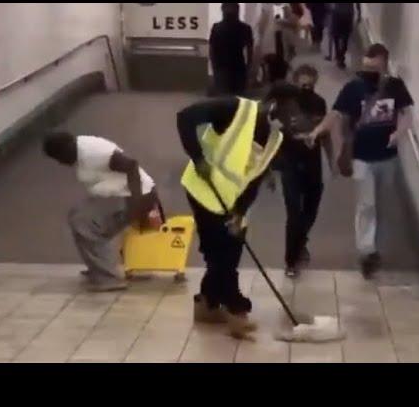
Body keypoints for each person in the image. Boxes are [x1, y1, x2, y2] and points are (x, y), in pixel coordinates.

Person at [176, 84, 305, 338]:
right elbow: (185, 117)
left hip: (231, 201)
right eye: (293, 111)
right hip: (204, 189)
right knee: (221, 252)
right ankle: (236, 310)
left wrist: (240, 211)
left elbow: (254, 178)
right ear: (276, 103)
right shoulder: (234, 108)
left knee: (231, 248)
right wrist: (198, 157)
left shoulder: (275, 138)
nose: (295, 118)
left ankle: (207, 304)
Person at [306, 43, 414, 279]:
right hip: (361, 156)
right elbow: (335, 114)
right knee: (367, 205)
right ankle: (367, 250)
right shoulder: (354, 88)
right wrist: (316, 131)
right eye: (366, 67)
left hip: (388, 156)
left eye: (374, 67)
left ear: (385, 64)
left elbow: (407, 112)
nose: (369, 72)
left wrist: (400, 132)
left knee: (383, 205)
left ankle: (377, 248)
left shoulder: (395, 86)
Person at [42, 132, 161, 292]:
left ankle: (108, 277)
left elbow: (131, 165)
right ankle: (99, 267)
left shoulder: (93, 151)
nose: (60, 163)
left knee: (85, 223)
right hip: (118, 195)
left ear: (66, 150)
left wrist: (136, 204)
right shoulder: (78, 151)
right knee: (78, 216)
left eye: (59, 158)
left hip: (134, 196)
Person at [273, 65, 332, 278]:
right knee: (294, 213)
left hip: (313, 165)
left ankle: (301, 239)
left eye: (310, 82)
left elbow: (325, 133)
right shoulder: (285, 104)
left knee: (311, 208)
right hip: (290, 164)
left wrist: (332, 161)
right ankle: (291, 260)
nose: (306, 86)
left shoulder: (319, 103)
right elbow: (271, 133)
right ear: (295, 81)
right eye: (302, 82)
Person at [209, 3, 254, 96]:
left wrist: (214, 67)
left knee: (225, 97)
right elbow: (250, 50)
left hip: (224, 67)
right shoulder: (245, 28)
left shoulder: (217, 27)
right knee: (237, 98)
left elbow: (212, 49)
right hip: (236, 67)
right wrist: (248, 68)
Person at [330, 3, 355, 69]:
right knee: (344, 38)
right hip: (346, 14)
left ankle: (339, 56)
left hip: (338, 13)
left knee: (337, 37)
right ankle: (340, 56)